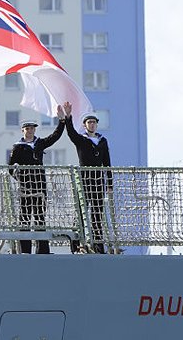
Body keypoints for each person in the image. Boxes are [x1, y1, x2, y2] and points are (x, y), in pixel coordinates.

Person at [8, 109, 66, 254]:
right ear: (23, 130)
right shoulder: (18, 147)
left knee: (40, 217)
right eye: (27, 128)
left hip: (40, 185)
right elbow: (10, 167)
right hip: (26, 187)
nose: (30, 131)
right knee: (25, 217)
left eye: (32, 128)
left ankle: (43, 250)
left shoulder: (39, 143)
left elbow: (55, 136)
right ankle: (25, 250)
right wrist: (20, 177)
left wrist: (62, 121)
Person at [63, 102, 112, 254]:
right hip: (84, 180)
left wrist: (109, 184)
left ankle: (98, 246)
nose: (92, 125)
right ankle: (77, 244)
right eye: (89, 122)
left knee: (97, 214)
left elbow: (107, 163)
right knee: (80, 212)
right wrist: (68, 117)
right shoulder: (82, 140)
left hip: (98, 181)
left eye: (94, 122)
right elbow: (70, 133)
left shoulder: (102, 141)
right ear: (85, 125)